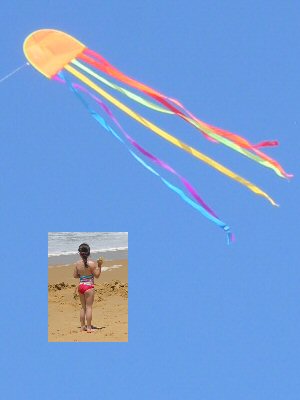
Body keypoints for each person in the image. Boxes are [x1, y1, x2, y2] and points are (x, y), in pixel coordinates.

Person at [73, 243, 103, 333]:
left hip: (81, 286)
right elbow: (97, 275)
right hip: (89, 287)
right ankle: (89, 327)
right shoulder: (92, 264)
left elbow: (75, 275)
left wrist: (82, 275)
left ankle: (82, 326)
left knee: (83, 307)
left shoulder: (77, 264)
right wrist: (100, 266)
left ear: (79, 253)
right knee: (89, 307)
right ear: (89, 253)